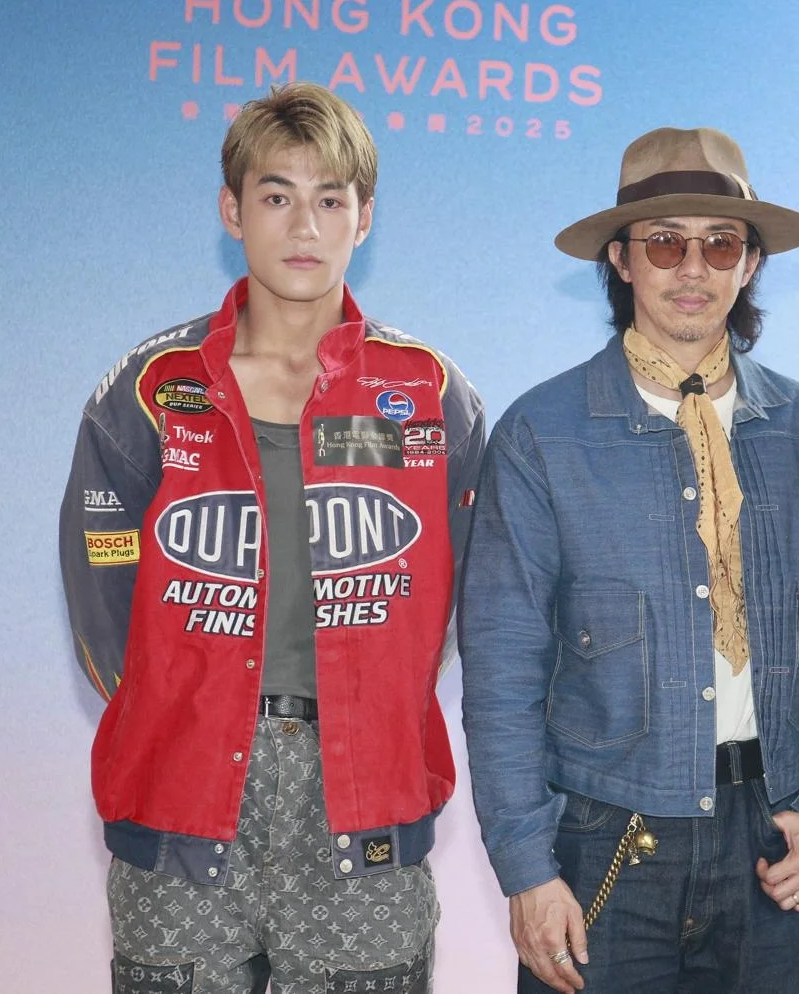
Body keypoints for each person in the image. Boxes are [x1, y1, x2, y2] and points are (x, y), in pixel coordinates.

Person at [59, 82, 484, 993]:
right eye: (277, 195)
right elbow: (100, 594)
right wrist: (181, 710)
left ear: (364, 218)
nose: (304, 226)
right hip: (181, 795)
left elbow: (463, 603)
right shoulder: (148, 389)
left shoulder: (432, 395)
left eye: (330, 199)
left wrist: (375, 701)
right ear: (232, 211)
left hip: (364, 799)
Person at [458, 126, 799, 993]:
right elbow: (503, 668)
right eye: (665, 243)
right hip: (600, 839)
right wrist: (526, 867)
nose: (692, 268)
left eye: (720, 243)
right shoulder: (543, 434)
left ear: (751, 263)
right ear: (621, 260)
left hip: (769, 837)